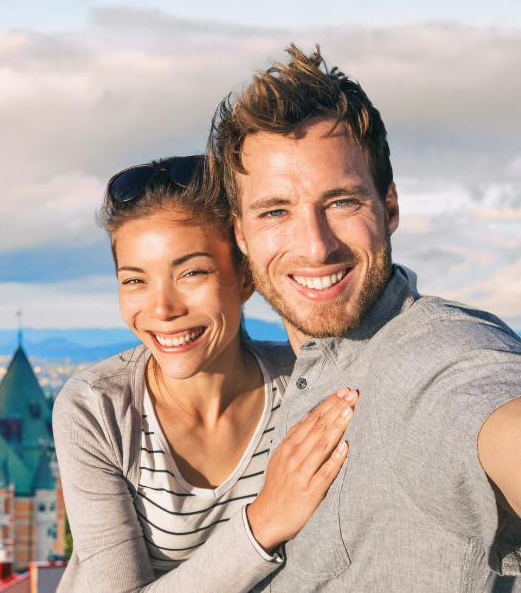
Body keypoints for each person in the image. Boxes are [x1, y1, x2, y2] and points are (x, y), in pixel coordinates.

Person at [210, 45, 521, 592]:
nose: (315, 246)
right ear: (241, 234)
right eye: (275, 212)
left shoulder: (435, 360)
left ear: (389, 208)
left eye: (341, 202)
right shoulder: (303, 371)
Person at [54, 155, 361, 592]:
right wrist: (264, 521)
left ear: (246, 278)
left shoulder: (306, 387)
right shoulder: (97, 408)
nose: (162, 309)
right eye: (135, 281)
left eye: (191, 272)